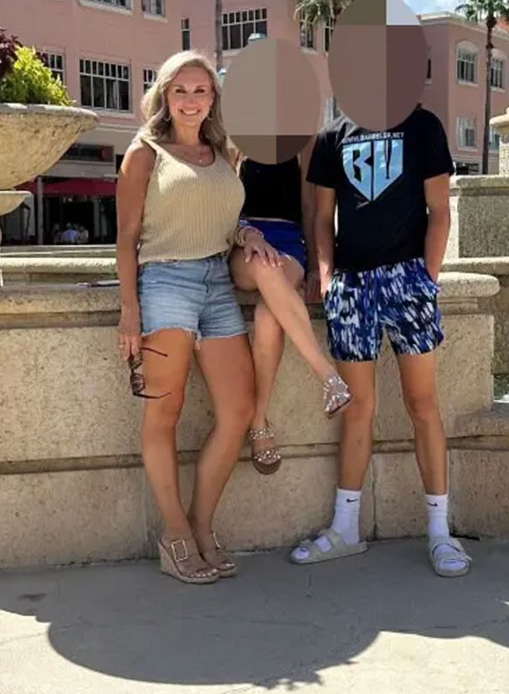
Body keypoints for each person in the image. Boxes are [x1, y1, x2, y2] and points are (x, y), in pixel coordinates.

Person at [116, 50, 282, 585]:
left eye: (201, 91)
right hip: (164, 281)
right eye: (181, 90)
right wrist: (129, 311)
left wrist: (248, 233)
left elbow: (224, 218)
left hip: (216, 283)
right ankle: (175, 534)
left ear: (213, 99)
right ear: (165, 95)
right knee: (163, 414)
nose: (191, 100)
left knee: (237, 411)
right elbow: (125, 237)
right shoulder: (144, 154)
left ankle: (201, 525)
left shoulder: (223, 152)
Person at [290, 106, 472, 578]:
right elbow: (323, 217)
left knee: (423, 403)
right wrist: (327, 277)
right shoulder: (333, 134)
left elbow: (440, 211)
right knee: (357, 408)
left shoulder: (424, 124)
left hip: (407, 278)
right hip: (352, 284)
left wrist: (426, 278)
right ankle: (345, 528)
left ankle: (439, 532)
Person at [231, 153, 351, 474]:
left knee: (269, 316)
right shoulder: (233, 134)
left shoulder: (303, 139)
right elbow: (222, 201)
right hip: (243, 240)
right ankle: (327, 374)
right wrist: (247, 234)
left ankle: (258, 421)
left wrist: (315, 267)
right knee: (261, 262)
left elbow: (311, 208)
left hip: (288, 243)